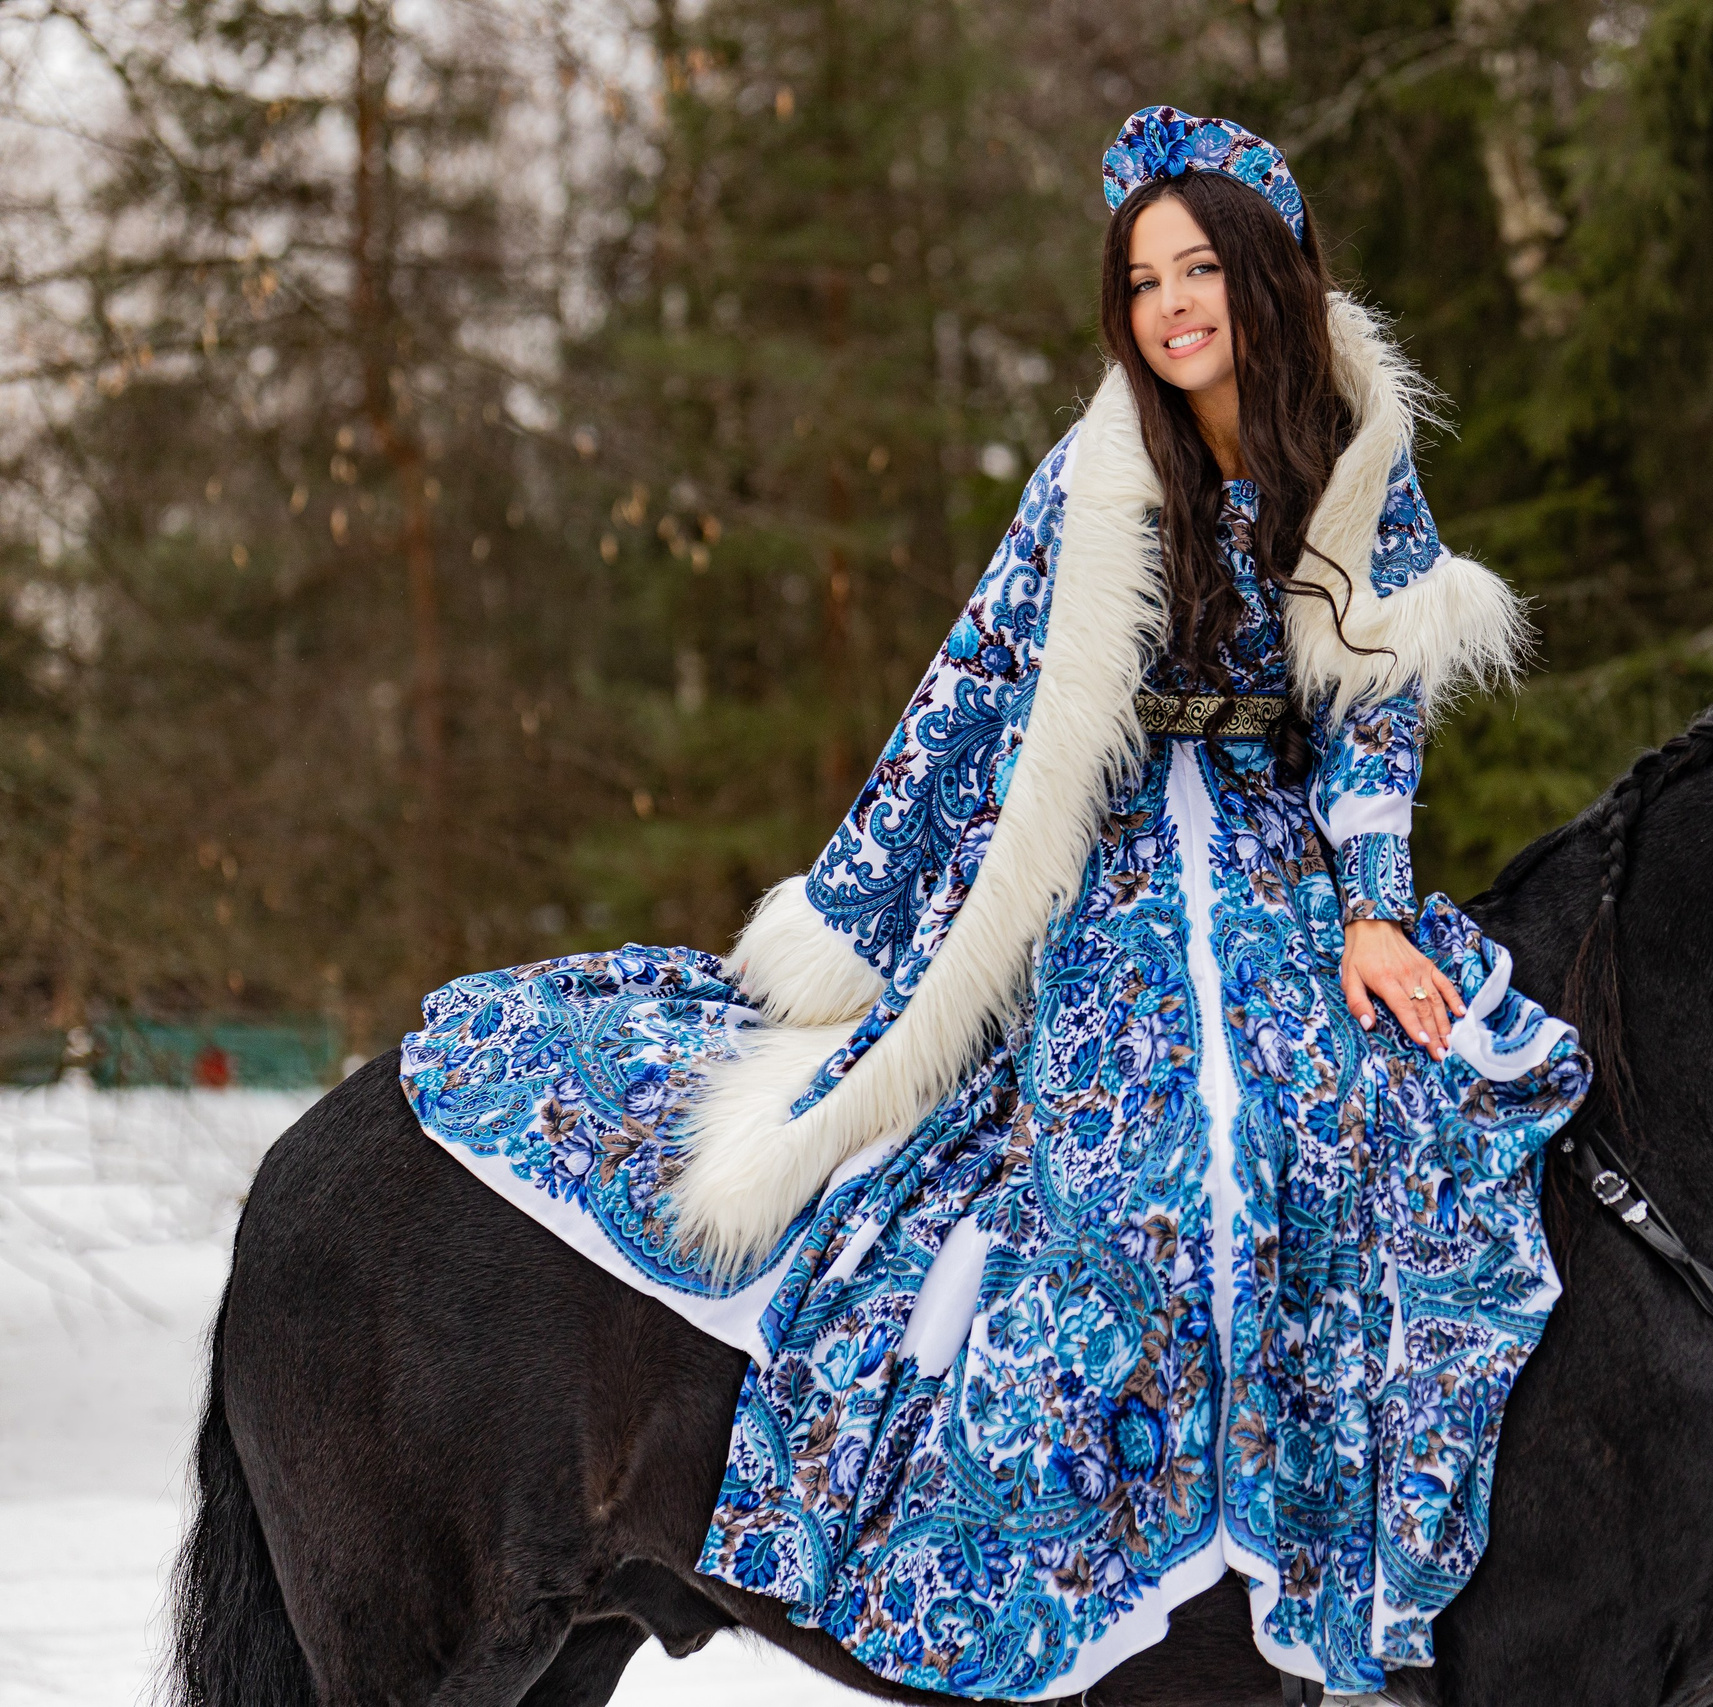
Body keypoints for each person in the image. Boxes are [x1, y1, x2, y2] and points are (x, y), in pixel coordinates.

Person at [401, 107, 1586, 1698]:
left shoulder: (1364, 453)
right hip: (1108, 870)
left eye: (1198, 270)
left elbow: (1375, 700)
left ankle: (1334, 1535)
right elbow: (968, 701)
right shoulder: (1093, 481)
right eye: (1142, 280)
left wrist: (1373, 905)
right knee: (1140, 1163)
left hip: (1282, 861)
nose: (1170, 306)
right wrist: (859, 923)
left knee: (1375, 1118)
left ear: (1268, 274)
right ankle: (1099, 1545)